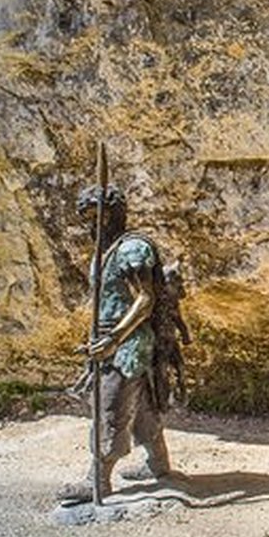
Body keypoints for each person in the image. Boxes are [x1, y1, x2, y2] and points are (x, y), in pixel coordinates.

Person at [59, 184, 173, 503]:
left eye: (94, 217)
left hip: (126, 344)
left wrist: (113, 338)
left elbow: (145, 299)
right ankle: (158, 464)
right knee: (143, 408)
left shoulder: (130, 249)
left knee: (111, 406)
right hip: (113, 339)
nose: (89, 225)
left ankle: (98, 480)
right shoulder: (107, 250)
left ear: (110, 215)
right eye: (86, 218)